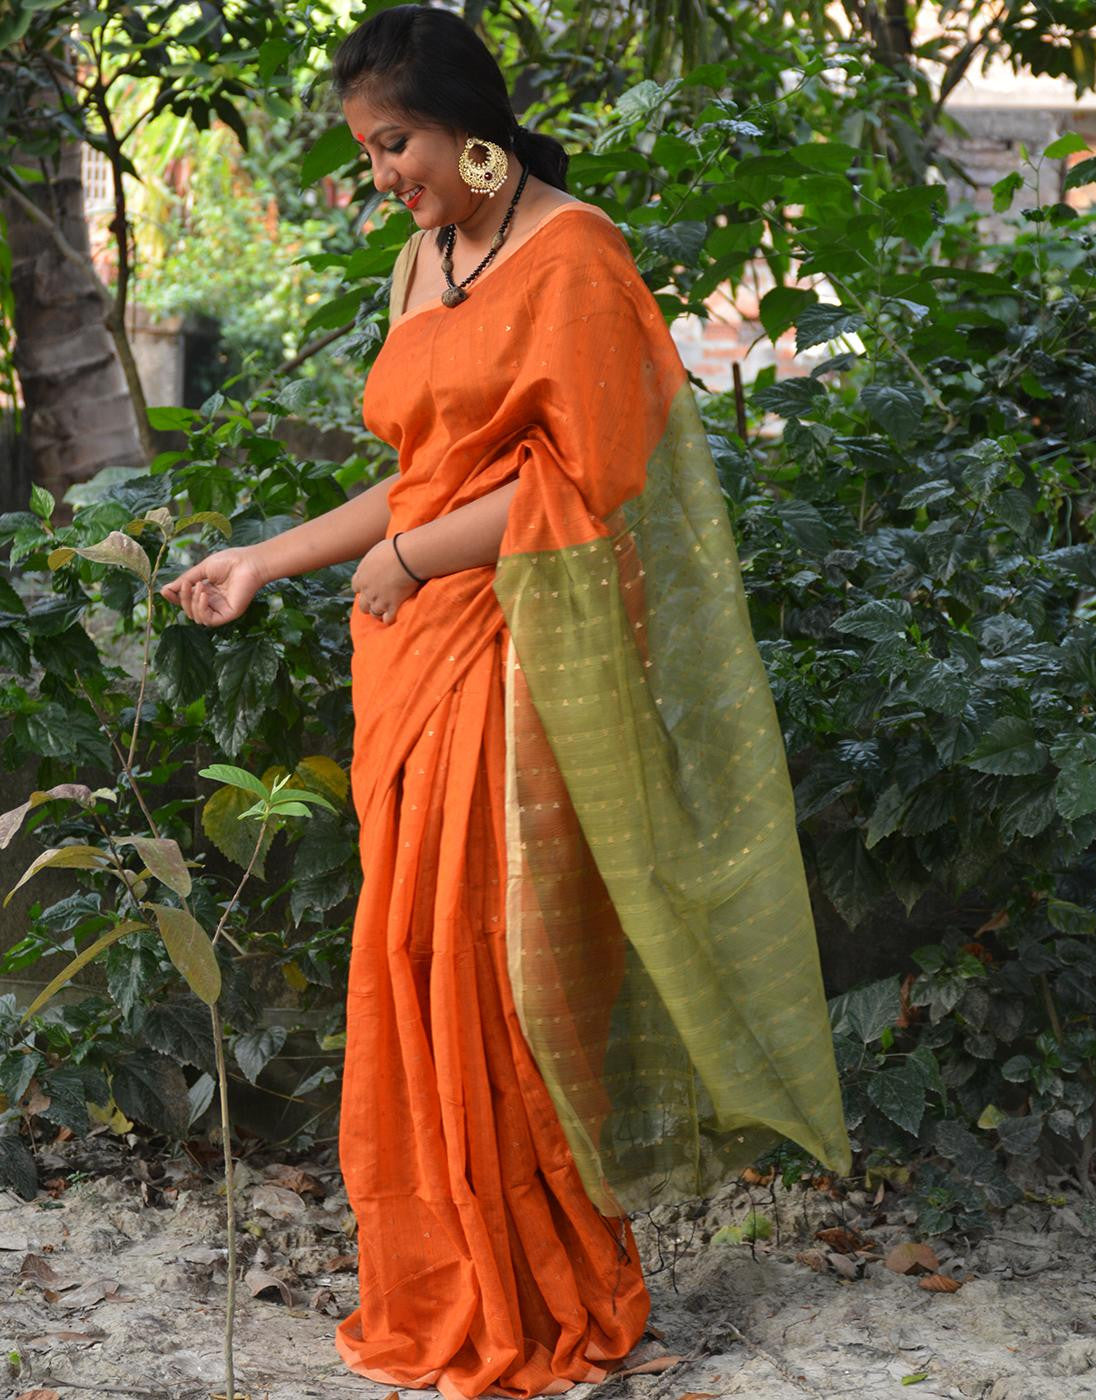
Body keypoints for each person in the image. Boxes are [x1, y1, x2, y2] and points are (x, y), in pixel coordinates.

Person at [162, 6, 850, 1397]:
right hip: (409, 660)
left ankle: (542, 1288)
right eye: (367, 151)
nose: (383, 177)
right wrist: (266, 559)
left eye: (396, 143)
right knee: (412, 967)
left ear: (471, 125)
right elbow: (417, 477)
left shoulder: (574, 259)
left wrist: (413, 558)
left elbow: (581, 494)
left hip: (516, 660)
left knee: (496, 969)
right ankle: (446, 1272)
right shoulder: (428, 255)